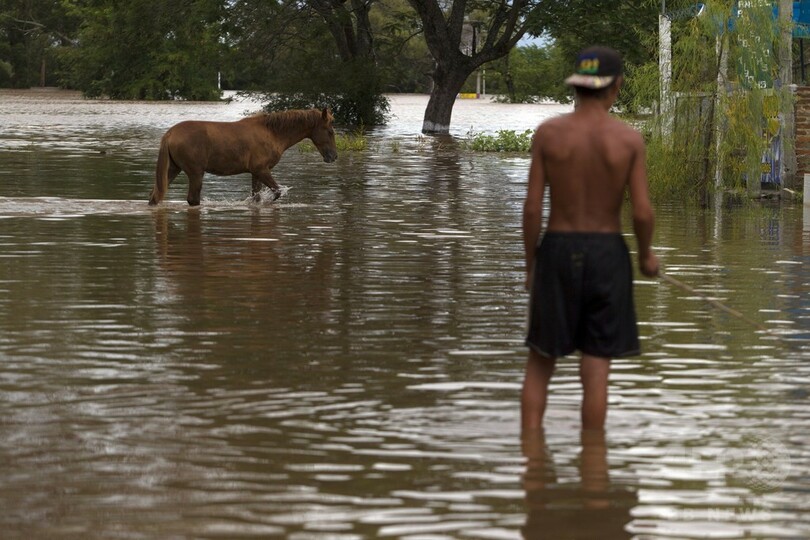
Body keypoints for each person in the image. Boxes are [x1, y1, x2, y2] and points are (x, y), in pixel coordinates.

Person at [521, 46, 659, 433]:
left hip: (558, 249)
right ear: (615, 87)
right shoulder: (628, 139)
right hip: (606, 253)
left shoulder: (549, 133)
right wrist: (646, 256)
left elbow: (532, 209)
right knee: (596, 370)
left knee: (540, 362)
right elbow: (643, 211)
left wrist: (533, 266)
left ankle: (531, 464)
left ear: (577, 87)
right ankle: (593, 468)